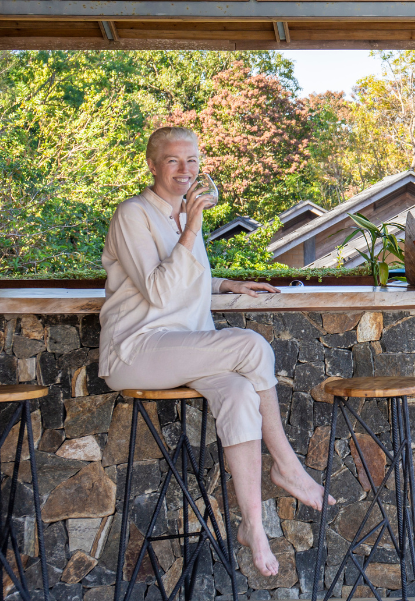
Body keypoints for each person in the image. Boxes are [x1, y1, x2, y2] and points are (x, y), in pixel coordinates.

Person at [98, 127, 334, 578]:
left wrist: (225, 285)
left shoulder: (182, 216)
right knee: (250, 344)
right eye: (173, 160)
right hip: (138, 351)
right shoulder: (133, 214)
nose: (185, 169)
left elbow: (186, 280)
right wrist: (192, 228)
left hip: (184, 346)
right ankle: (286, 464)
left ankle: (252, 526)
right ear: (152, 165)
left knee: (242, 393)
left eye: (192, 160)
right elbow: (160, 292)